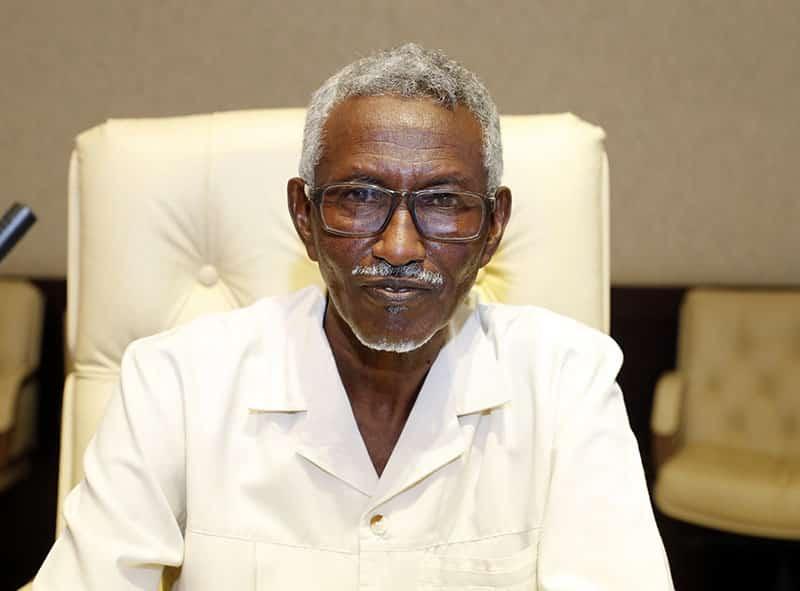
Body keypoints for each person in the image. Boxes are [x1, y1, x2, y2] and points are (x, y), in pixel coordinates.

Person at [34, 43, 673, 590]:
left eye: (443, 201)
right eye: (360, 197)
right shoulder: (176, 380)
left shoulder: (566, 382)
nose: (399, 247)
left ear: (493, 228)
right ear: (304, 218)